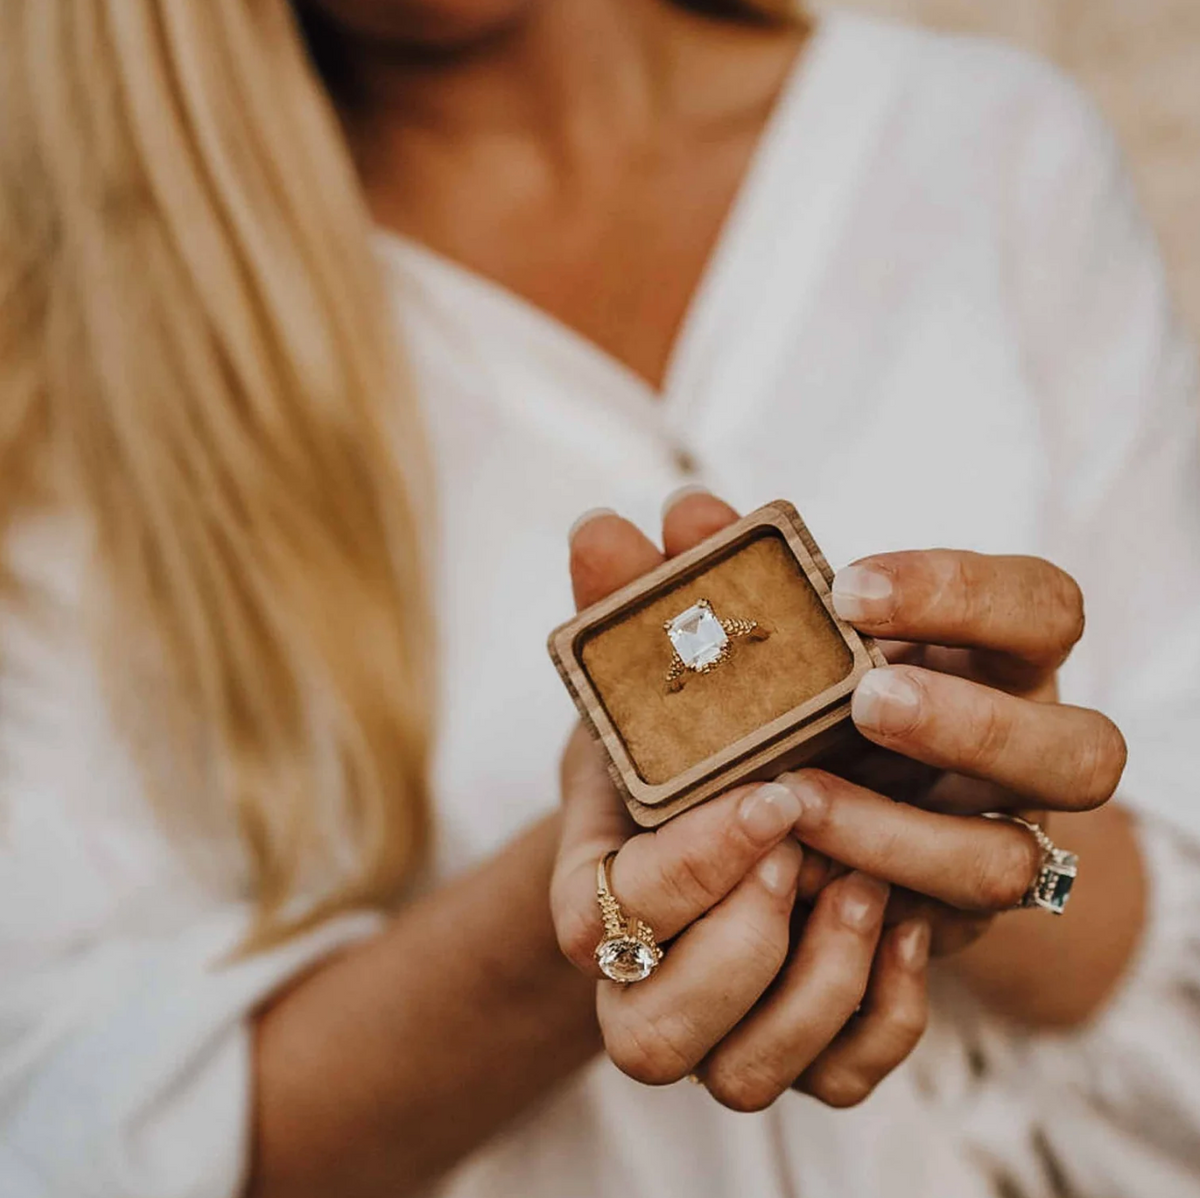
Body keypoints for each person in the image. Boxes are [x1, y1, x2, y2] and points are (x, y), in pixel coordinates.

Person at [1, 3, 1198, 1198]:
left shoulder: (988, 147)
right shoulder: (81, 357)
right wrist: (584, 908)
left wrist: (963, 798)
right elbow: (78, 1134)